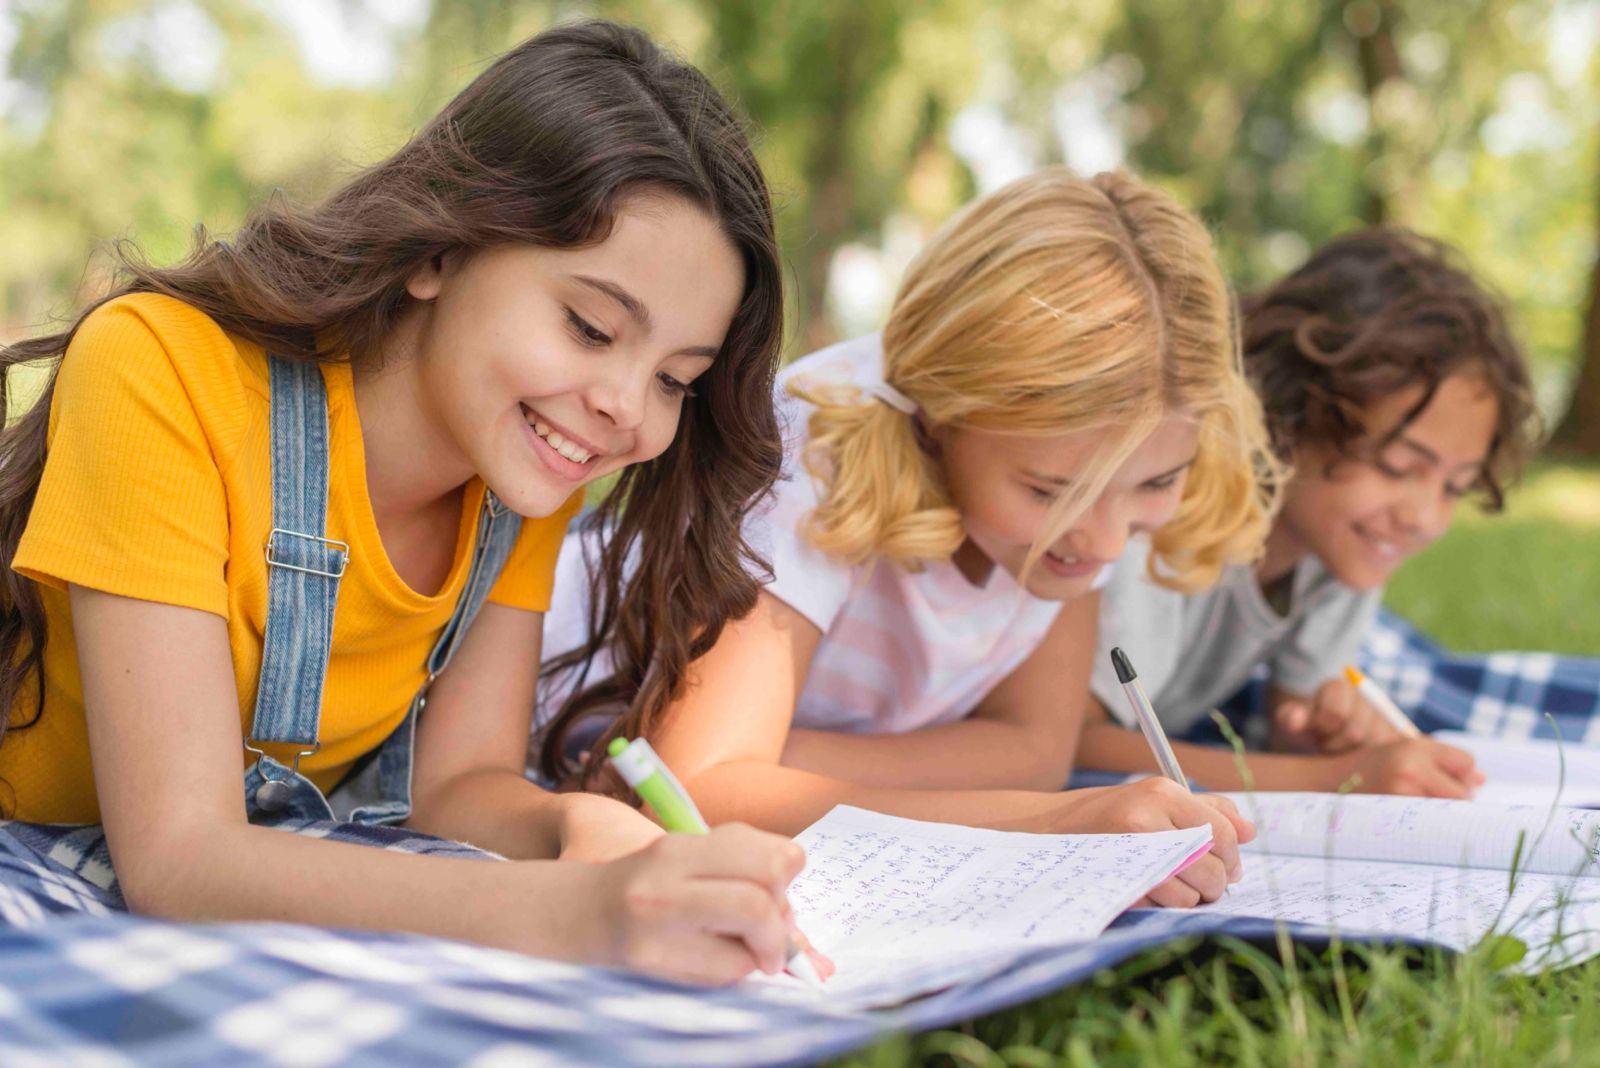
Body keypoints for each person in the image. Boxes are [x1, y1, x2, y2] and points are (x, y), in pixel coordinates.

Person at [0, 21, 820, 986]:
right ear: (438, 250)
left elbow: (457, 788)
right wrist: (569, 911)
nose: (625, 410)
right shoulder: (161, 367)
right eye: (591, 326)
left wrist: (570, 823)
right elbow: (181, 861)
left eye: (678, 378)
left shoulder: (528, 471)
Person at [540, 168, 1277, 907]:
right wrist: (1059, 823)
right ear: (938, 411)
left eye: (1155, 484)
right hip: (531, 715)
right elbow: (699, 797)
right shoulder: (813, 454)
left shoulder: (1072, 497)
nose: (1107, 543)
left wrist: (776, 763)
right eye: (1050, 493)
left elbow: (1034, 751)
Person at [1080, 228, 1540, 797]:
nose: (1424, 517)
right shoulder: (1169, 516)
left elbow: (1294, 720)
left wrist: (1329, 735)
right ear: (1292, 413)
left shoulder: (1345, 545)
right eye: (1398, 466)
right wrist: (1330, 776)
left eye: (1456, 486)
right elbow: (1077, 742)